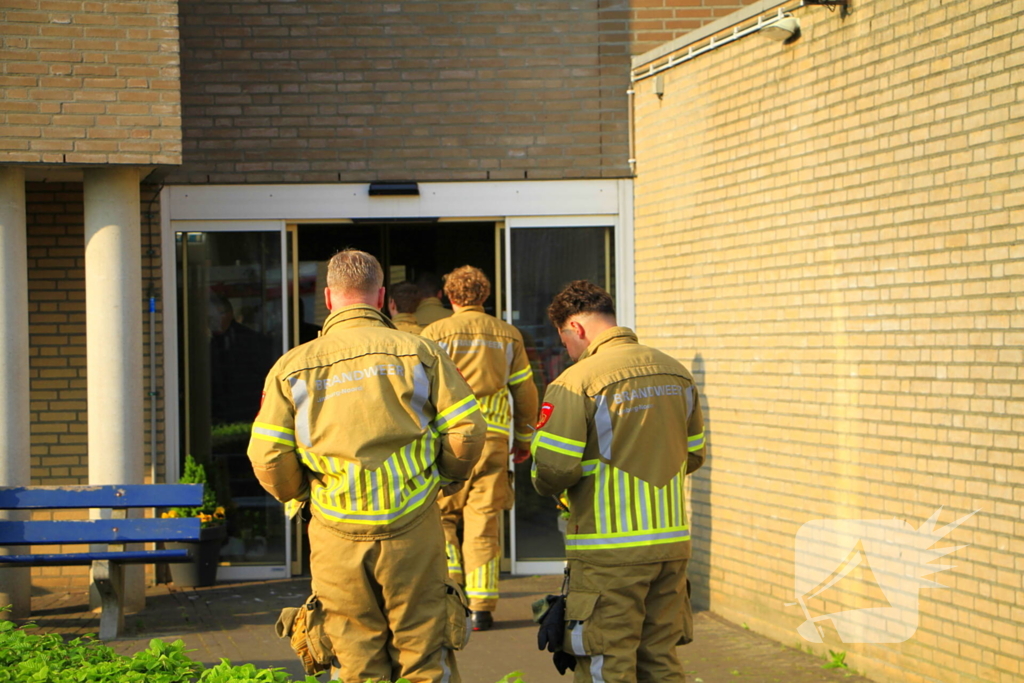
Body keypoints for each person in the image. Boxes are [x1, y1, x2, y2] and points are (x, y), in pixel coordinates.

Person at [247, 249, 486, 683]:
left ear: (328, 297)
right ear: (380, 296)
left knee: (355, 661)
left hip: (335, 532)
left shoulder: (291, 367)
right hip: (414, 526)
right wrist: (446, 478)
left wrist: (302, 494)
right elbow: (467, 431)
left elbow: (267, 456)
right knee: (423, 655)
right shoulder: (420, 352)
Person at [530, 280, 705, 682]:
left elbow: (553, 470)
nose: (567, 351)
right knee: (660, 659)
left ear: (575, 328)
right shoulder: (676, 372)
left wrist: (547, 482)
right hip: (671, 545)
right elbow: (694, 454)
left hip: (608, 550)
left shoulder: (576, 382)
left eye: (565, 341)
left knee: (605, 661)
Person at [422, 266, 539, 631]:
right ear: (484, 297)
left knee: (439, 519)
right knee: (484, 525)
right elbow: (524, 389)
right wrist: (523, 438)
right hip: (494, 441)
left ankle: (451, 592)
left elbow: (419, 391)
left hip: (449, 439)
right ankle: (482, 608)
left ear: (450, 297)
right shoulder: (508, 334)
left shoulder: (435, 333)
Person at [208, 292, 275, 424]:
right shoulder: (206, 342)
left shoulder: (250, 340)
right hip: (219, 411)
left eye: (215, 317)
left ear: (229, 314)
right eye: (209, 318)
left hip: (245, 409)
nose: (212, 322)